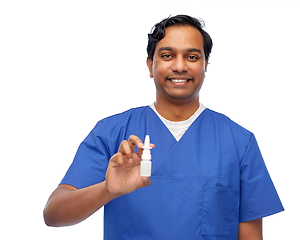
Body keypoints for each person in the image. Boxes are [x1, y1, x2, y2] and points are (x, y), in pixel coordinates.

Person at [43, 15, 284, 240]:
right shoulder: (112, 133)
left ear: (206, 64)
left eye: (192, 56)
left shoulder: (239, 142)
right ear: (150, 65)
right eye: (168, 55)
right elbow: (53, 214)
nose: (180, 66)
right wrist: (108, 189)